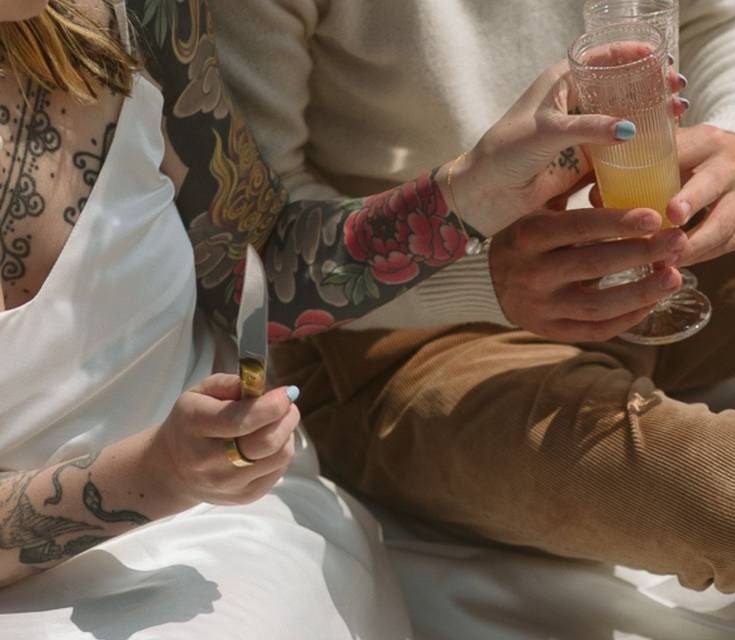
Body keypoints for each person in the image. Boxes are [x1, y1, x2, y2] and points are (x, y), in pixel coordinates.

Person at [210, 0, 735, 594]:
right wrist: (483, 268)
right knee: (734, 496)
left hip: (652, 217)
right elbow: (252, 252)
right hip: (401, 327)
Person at [0, 0, 643, 635]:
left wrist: (471, 193)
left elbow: (257, 263)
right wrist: (152, 474)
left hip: (226, 530)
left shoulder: (129, 13)